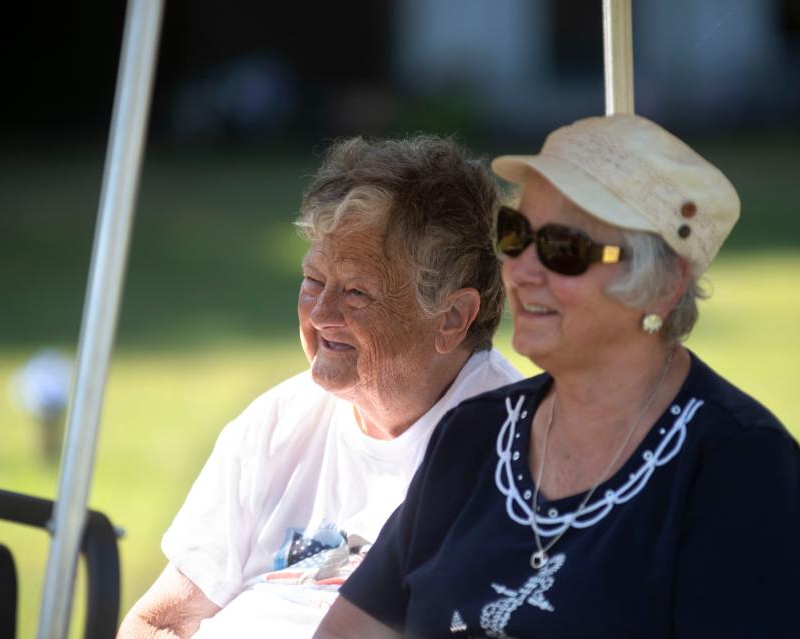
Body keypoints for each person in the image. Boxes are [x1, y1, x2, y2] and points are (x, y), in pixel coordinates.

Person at [315, 114, 800, 639]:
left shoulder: (740, 470)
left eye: (564, 249)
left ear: (664, 285)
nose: (520, 269)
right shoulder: (474, 435)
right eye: (517, 235)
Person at [117, 136, 522, 638]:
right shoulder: (278, 423)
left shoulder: (513, 457)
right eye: (313, 280)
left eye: (357, 292)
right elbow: (160, 620)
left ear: (452, 318)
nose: (321, 314)